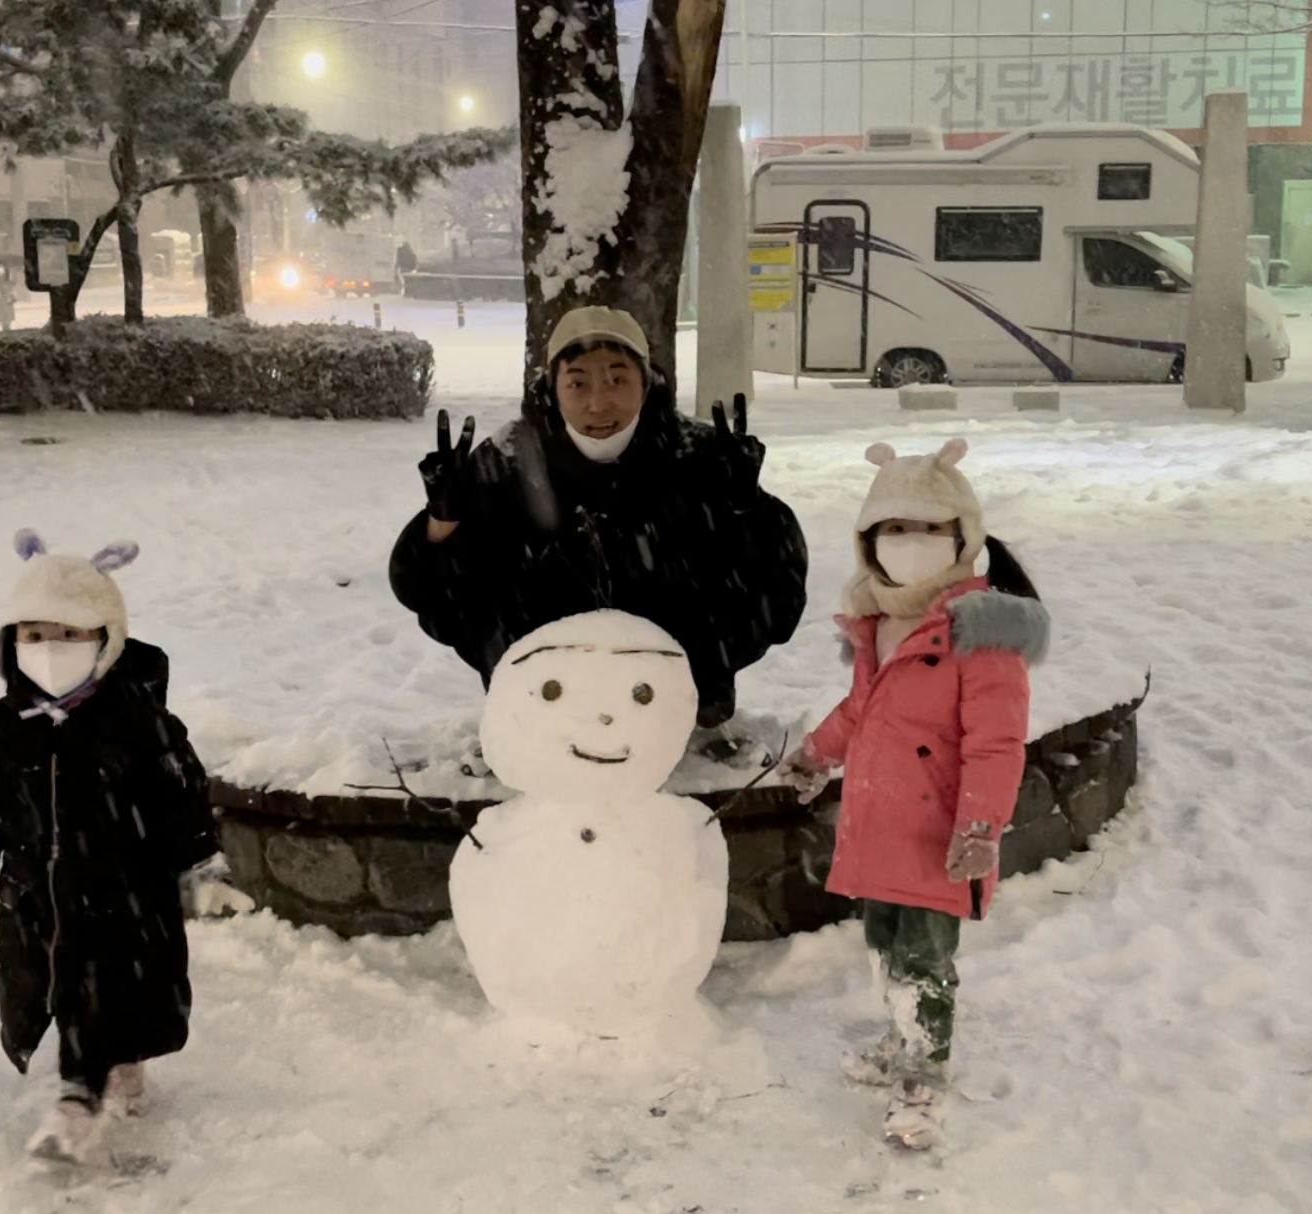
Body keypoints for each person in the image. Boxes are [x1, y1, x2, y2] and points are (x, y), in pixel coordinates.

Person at [780, 437, 1049, 1151]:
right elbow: (860, 712)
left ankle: (922, 1076)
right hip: (878, 827)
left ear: (962, 536)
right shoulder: (879, 623)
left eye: (928, 528)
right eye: (894, 528)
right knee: (883, 946)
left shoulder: (982, 632)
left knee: (925, 962)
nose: (910, 542)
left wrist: (981, 826)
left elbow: (997, 744)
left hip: (939, 839)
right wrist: (815, 756)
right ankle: (901, 1040)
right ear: (868, 540)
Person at [0, 530, 229, 1164]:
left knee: (102, 994)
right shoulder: (1, 729)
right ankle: (114, 1070)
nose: (50, 649)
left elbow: (181, 795)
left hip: (124, 898)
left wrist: (200, 867)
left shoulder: (137, 721)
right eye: (34, 634)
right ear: (10, 640)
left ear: (105, 639)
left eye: (69, 634)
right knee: (52, 991)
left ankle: (78, 1101)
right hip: (35, 900)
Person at [388, 305, 808, 731]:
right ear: (552, 388)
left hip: (675, 698)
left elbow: (776, 595)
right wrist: (444, 519)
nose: (598, 403)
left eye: (617, 379)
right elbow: (435, 596)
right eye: (578, 383)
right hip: (544, 699)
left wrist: (746, 508)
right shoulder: (507, 460)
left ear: (646, 382)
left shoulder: (701, 457)